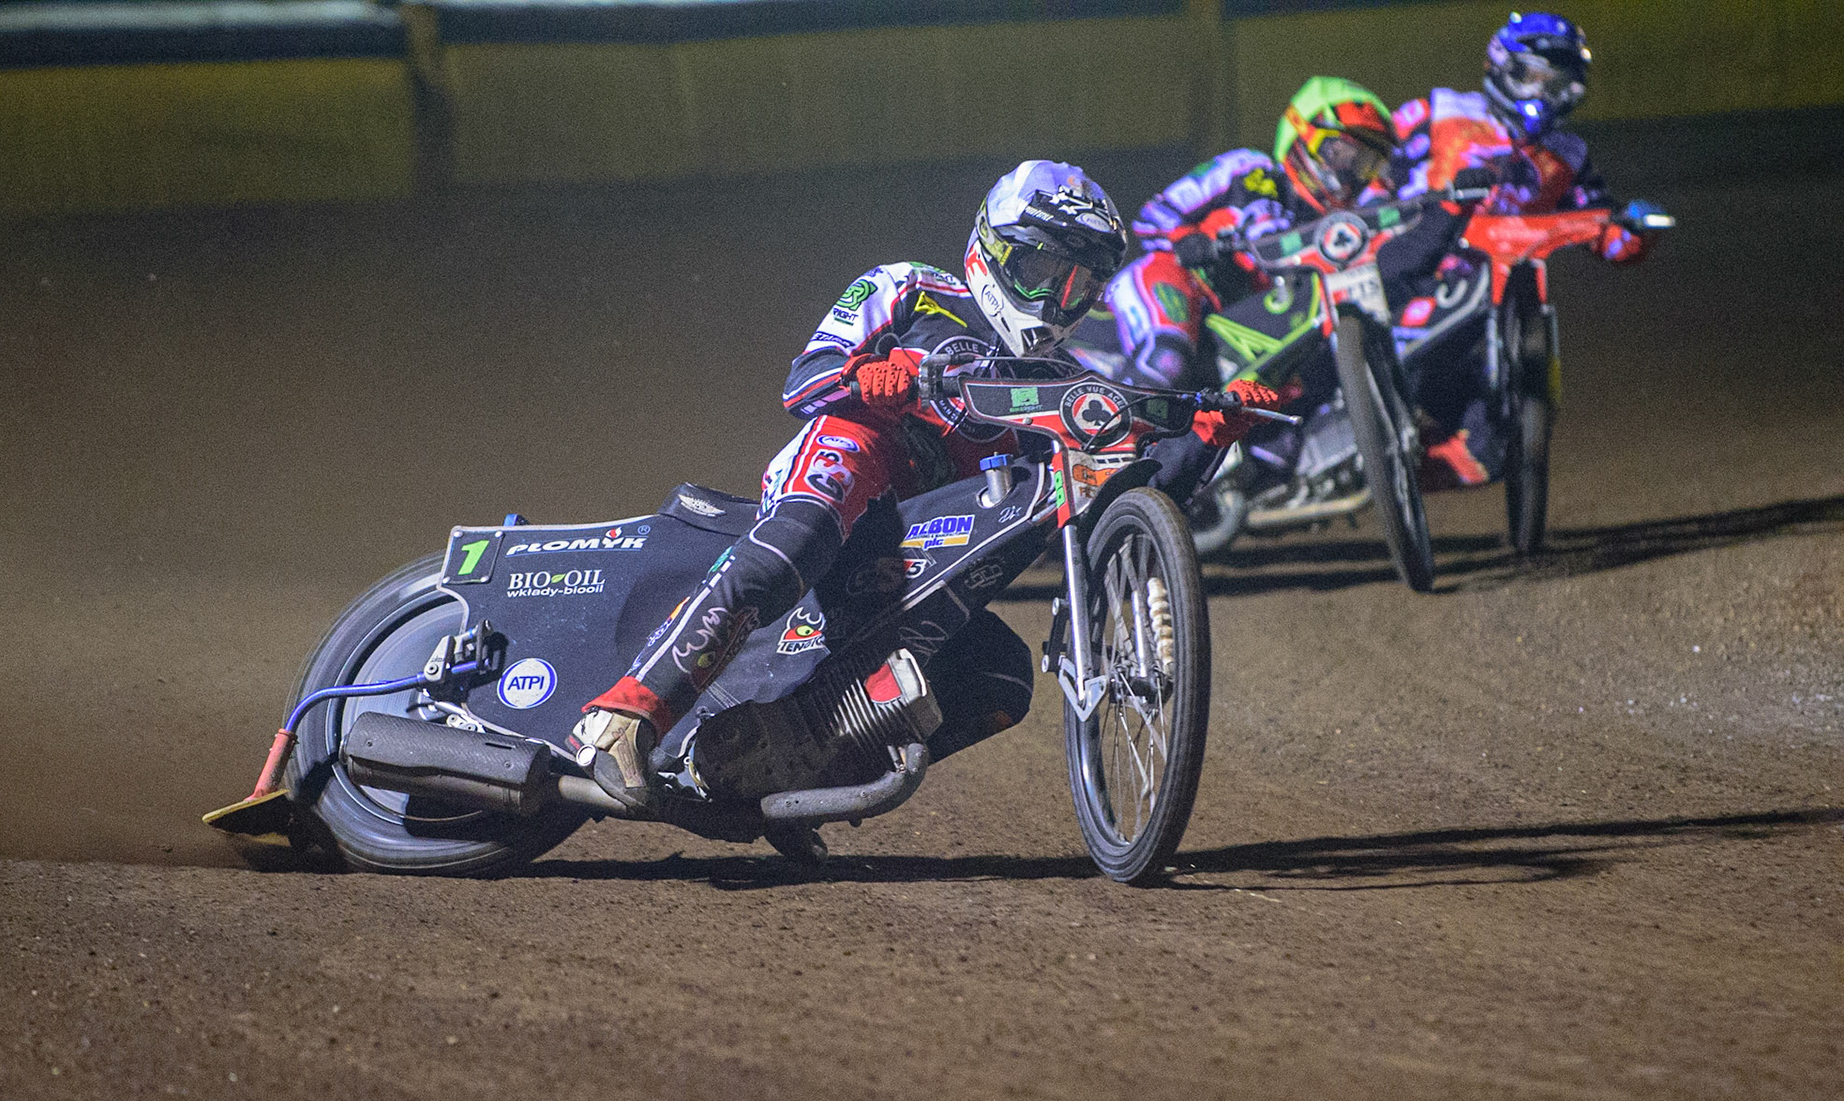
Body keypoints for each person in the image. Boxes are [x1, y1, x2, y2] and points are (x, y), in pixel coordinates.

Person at [570, 161, 1272, 810]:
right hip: (858, 456)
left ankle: (779, 771)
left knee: (1000, 675)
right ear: (994, 250)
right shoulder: (909, 288)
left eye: (1078, 287)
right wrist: (868, 377)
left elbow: (1119, 500)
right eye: (1042, 271)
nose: (1057, 301)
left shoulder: (1063, 381)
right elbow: (803, 381)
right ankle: (626, 716)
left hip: (926, 539)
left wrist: (1209, 435)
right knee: (798, 537)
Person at [1071, 76, 1406, 495]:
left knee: (1280, 421)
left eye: (1365, 163)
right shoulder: (1248, 169)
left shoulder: (1335, 233)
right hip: (1175, 280)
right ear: (1302, 137)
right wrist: (1191, 241)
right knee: (1167, 358)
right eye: (1340, 152)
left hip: (1232, 332)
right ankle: (1094, 461)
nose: (1349, 173)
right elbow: (1152, 218)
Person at [1391, 11, 1662, 488]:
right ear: (1503, 69)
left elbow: (1600, 221)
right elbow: (1374, 170)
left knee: (1489, 452)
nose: (1542, 95)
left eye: (1555, 85)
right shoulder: (1439, 111)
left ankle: (1402, 468)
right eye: (1532, 78)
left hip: (1492, 304)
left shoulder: (1568, 154)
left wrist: (1635, 231)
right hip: (1411, 272)